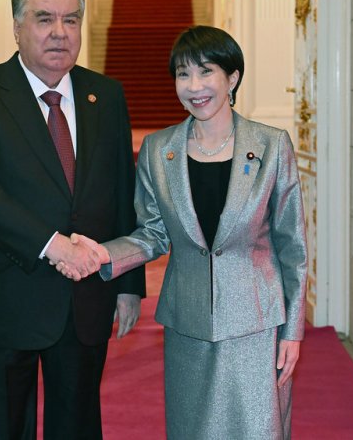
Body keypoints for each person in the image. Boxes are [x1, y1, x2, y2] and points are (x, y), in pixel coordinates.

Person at [61, 25, 308, 439]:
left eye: (206, 72)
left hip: (256, 324)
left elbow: (293, 248)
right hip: (187, 324)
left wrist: (293, 332)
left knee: (257, 430)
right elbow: (153, 233)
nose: (194, 86)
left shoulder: (271, 145)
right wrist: (104, 254)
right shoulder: (159, 150)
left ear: (232, 78)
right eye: (182, 74)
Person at [0, 0, 146, 440]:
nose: (60, 32)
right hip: (7, 295)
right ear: (17, 27)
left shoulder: (106, 95)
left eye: (71, 20)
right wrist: (53, 244)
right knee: (0, 428)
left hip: (86, 299)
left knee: (77, 425)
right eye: (44, 19)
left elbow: (123, 193)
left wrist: (128, 283)